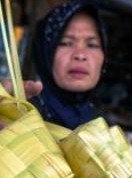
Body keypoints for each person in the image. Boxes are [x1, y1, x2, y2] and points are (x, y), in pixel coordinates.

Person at [29, 0, 108, 130]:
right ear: (45, 54)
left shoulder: (105, 132)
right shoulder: (18, 118)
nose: (80, 55)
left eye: (92, 45)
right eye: (66, 43)